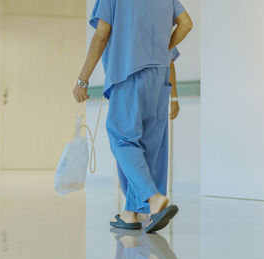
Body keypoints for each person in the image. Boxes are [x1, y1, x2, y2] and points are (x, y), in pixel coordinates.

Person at [72, 0, 192, 233]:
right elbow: (186, 24)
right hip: (159, 77)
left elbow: (102, 33)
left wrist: (82, 79)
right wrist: (161, 49)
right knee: (147, 148)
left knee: (123, 140)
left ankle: (153, 199)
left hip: (129, 74)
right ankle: (131, 214)